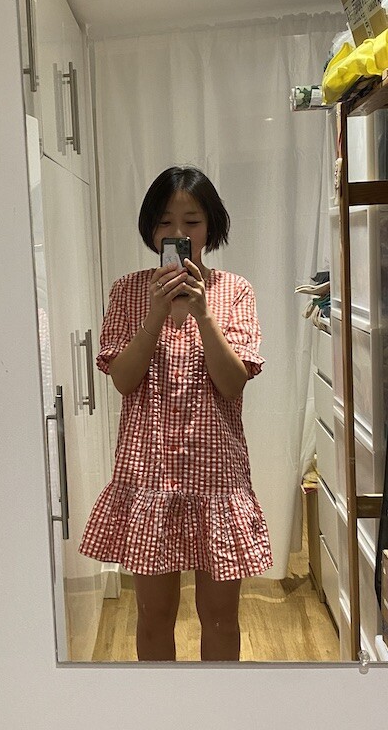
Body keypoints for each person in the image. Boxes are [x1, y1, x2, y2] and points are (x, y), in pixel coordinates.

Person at [78, 165, 272, 662]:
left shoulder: (234, 290)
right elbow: (123, 380)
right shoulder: (128, 290)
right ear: (150, 228)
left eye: (192, 222)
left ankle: (218, 704)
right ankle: (159, 704)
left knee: (222, 618)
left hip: (217, 476)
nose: (178, 233)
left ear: (212, 226)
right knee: (153, 616)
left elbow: (232, 383)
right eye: (165, 222)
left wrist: (203, 314)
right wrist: (154, 315)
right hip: (148, 474)